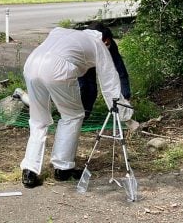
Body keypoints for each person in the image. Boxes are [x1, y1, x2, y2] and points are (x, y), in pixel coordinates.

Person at [20, 27, 133, 188]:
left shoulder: (61, 31)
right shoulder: (98, 44)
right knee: (72, 116)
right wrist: (125, 114)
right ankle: (63, 168)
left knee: (38, 119)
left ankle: (29, 171)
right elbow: (110, 83)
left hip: (31, 64)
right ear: (106, 40)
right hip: (57, 69)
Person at [78, 23, 131, 119]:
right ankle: (78, 116)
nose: (106, 44)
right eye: (104, 43)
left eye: (108, 42)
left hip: (93, 61)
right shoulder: (83, 44)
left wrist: (126, 95)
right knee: (84, 87)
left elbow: (120, 70)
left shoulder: (111, 46)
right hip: (81, 62)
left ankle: (85, 115)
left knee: (93, 91)